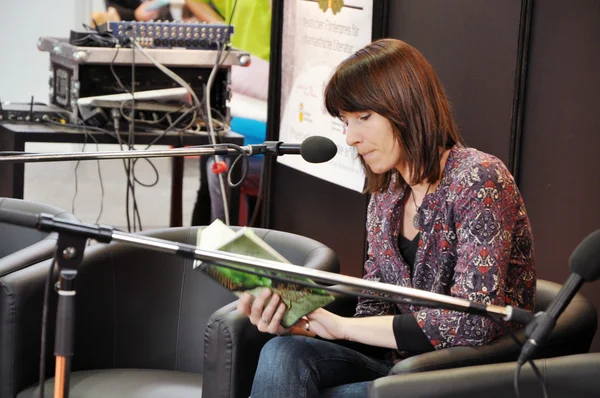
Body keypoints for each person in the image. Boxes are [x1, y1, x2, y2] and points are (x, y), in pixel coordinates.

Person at [236, 38, 537, 397]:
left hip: (467, 374)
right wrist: (303, 321)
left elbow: (472, 321)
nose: (350, 138)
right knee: (282, 351)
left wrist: (342, 327)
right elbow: (373, 310)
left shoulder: (480, 178)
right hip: (402, 367)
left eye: (363, 118)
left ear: (406, 107)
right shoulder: (386, 196)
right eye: (345, 122)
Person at [186, 0, 272, 225]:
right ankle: (202, 254)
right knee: (211, 173)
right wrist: (220, 26)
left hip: (278, 92)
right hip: (236, 85)